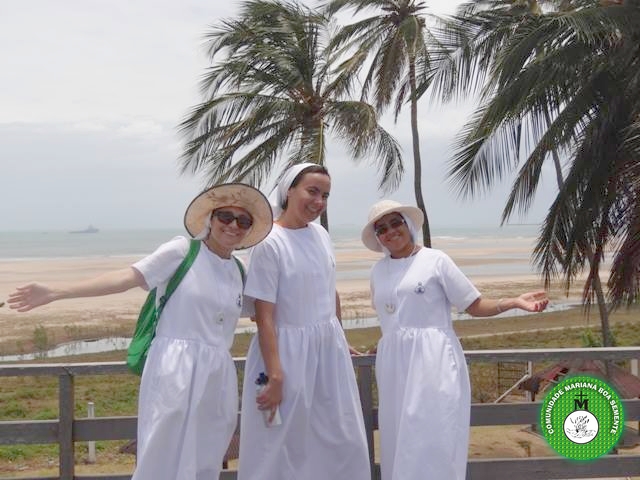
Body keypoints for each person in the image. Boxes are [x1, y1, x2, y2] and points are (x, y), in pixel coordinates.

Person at [7, 183, 273, 480]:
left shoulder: (239, 270)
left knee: (208, 452)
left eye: (243, 221)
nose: (233, 225)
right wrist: (57, 292)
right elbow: (127, 277)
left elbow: (265, 314)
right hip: (175, 365)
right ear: (210, 219)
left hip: (219, 372)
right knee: (162, 452)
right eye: (225, 216)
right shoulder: (182, 251)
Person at [361, 199, 549, 480]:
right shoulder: (377, 272)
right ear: (378, 237)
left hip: (433, 361)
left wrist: (513, 302)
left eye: (395, 222)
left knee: (434, 436)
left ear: (408, 224)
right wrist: (382, 344)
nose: (390, 231)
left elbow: (474, 305)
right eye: (382, 228)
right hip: (393, 367)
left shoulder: (435, 260)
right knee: (398, 437)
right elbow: (393, 319)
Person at [237, 163, 371, 480]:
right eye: (312, 191)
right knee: (278, 446)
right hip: (284, 355)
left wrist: (339, 340)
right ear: (289, 190)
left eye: (325, 195)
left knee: (340, 440)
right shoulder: (269, 242)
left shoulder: (320, 235)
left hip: (328, 355)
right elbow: (264, 317)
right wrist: (276, 375)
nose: (319, 201)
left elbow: (329, 290)